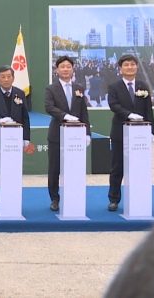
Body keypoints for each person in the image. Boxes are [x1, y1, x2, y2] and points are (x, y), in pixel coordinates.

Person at [106, 54, 154, 211]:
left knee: (139, 167)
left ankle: (138, 197)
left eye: (132, 64)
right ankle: (114, 199)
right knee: (117, 167)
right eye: (126, 65)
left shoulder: (143, 86)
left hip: (140, 134)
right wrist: (129, 115)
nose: (130, 67)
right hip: (120, 132)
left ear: (137, 67)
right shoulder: (114, 87)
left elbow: (148, 109)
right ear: (120, 69)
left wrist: (151, 130)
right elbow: (113, 105)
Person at [44, 56, 91, 211]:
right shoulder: (51, 88)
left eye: (68, 66)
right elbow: (49, 107)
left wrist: (87, 133)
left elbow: (84, 112)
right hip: (57, 134)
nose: (65, 69)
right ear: (57, 70)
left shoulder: (79, 88)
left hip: (76, 136)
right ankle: (54, 198)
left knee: (74, 168)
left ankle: (73, 196)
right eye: (62, 67)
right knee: (54, 169)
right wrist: (65, 116)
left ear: (73, 69)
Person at [0, 65, 30, 211]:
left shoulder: (20, 93)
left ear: (13, 78)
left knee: (13, 169)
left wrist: (26, 138)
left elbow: (25, 116)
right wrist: (0, 120)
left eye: (9, 76)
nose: (6, 79)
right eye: (3, 77)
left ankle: (13, 198)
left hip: (15, 139)